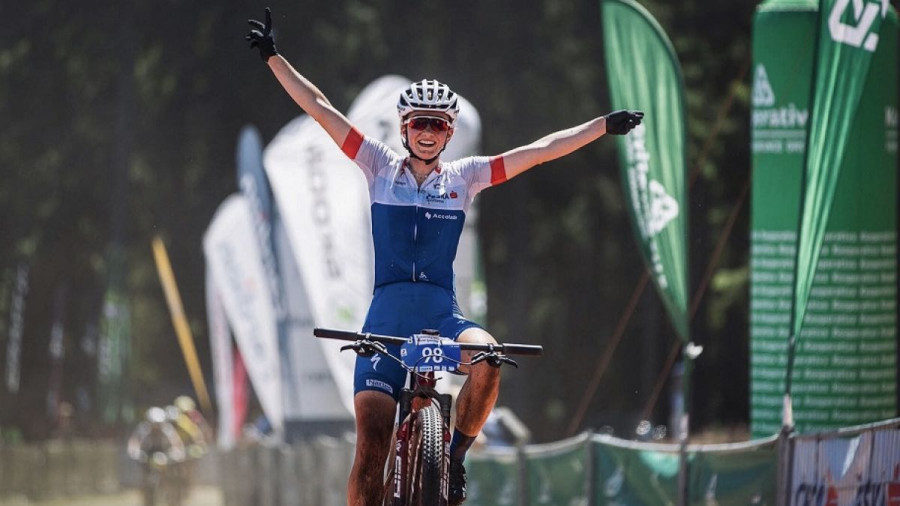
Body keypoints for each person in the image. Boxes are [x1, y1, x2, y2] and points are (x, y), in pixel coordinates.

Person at [246, 8, 643, 505]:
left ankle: (454, 458)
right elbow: (321, 108)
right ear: (404, 126)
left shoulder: (465, 177)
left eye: (438, 123)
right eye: (420, 122)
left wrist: (602, 126)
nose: (428, 131)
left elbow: (540, 150)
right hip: (385, 319)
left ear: (450, 131)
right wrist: (274, 58)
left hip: (442, 317)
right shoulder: (377, 165)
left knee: (489, 358)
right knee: (371, 451)